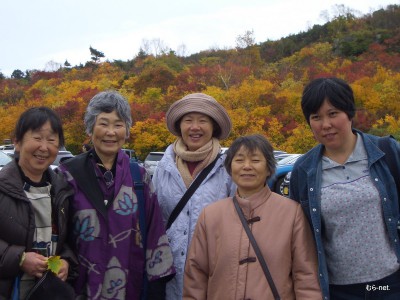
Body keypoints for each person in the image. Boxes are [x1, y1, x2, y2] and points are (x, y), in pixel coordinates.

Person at [289, 77, 400, 299]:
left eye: (333, 113)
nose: (325, 124)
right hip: (338, 290)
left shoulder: (387, 151)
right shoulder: (304, 169)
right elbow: (301, 236)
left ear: (349, 113)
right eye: (316, 117)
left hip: (389, 283)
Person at [58, 91, 175, 299]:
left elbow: (154, 230)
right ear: (90, 128)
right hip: (79, 287)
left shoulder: (138, 177)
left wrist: (157, 287)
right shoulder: (68, 175)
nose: (110, 132)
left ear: (127, 130)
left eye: (118, 124)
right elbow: (57, 233)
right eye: (103, 123)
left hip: (129, 284)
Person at [183, 134, 322, 299]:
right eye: (239, 160)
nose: (247, 166)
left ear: (269, 168)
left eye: (255, 160)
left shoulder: (291, 213)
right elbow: (196, 276)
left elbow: (305, 275)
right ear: (229, 167)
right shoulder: (211, 215)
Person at [152, 92, 235, 299]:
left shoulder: (228, 167)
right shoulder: (164, 167)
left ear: (213, 126)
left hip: (215, 271)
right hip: (170, 271)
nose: (194, 127)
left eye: (202, 121)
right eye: (188, 120)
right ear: (180, 126)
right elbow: (155, 219)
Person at [0, 107, 78, 299]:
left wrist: (67, 262)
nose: (44, 147)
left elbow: (69, 240)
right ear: (17, 142)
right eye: (37, 138)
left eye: (51, 140)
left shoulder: (62, 190)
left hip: (48, 291)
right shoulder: (2, 187)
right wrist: (20, 258)